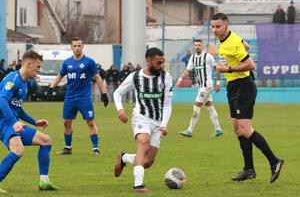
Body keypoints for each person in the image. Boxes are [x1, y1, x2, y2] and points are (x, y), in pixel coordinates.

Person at [211, 13, 284, 183]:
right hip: (233, 86)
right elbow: (247, 46)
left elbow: (250, 64)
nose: (215, 30)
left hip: (243, 86)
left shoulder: (232, 42)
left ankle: (275, 161)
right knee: (238, 129)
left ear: (226, 25)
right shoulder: (226, 40)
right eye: (213, 27)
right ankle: (249, 169)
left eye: (218, 26)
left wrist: (228, 69)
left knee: (245, 129)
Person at [113, 47, 173, 192]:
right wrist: (120, 109)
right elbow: (117, 93)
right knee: (143, 145)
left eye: (162, 63)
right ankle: (138, 185)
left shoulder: (166, 77)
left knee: (148, 162)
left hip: (158, 122)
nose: (161, 66)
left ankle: (124, 158)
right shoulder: (135, 77)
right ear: (148, 61)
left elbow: (167, 105)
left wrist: (164, 125)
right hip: (141, 117)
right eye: (158, 63)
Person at [0, 50, 58, 193]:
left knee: (46, 140)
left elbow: (17, 108)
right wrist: (14, 122)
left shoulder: (25, 83)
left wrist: (34, 122)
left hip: (12, 122)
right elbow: (2, 100)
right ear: (29, 64)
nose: (39, 70)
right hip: (4, 122)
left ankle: (44, 182)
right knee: (18, 150)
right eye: (38, 67)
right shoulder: (13, 79)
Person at [48, 37, 108, 156]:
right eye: (74, 46)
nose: (77, 48)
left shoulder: (89, 62)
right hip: (70, 98)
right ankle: (67, 148)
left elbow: (97, 77)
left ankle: (95, 149)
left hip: (84, 98)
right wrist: (51, 88)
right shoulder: (67, 62)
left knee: (90, 122)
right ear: (71, 47)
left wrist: (104, 93)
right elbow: (60, 76)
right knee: (66, 122)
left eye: (79, 46)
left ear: (82, 47)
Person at [176, 39, 223, 138]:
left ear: (202, 46)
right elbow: (187, 71)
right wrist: (180, 79)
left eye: (199, 45)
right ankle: (218, 129)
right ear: (193, 47)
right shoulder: (193, 58)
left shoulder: (208, 56)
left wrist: (218, 83)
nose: (197, 47)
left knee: (196, 107)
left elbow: (217, 68)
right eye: (196, 45)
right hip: (200, 86)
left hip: (207, 86)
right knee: (210, 107)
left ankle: (189, 130)